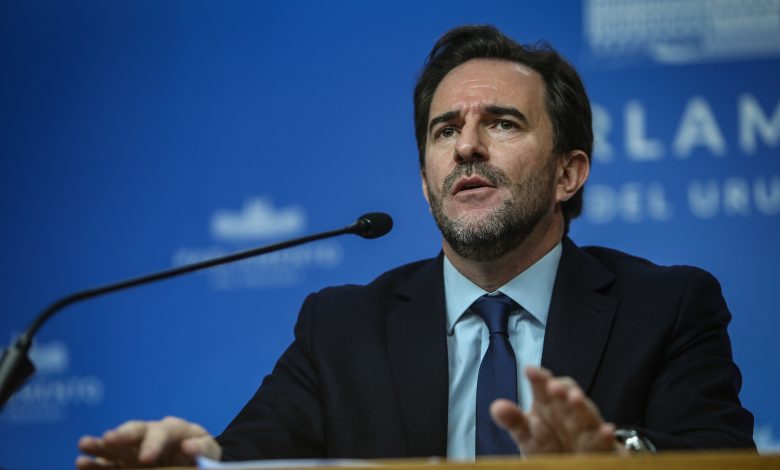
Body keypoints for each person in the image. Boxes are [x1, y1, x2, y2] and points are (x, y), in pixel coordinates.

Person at [76, 25, 755, 468]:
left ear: (567, 174)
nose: (466, 146)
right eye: (444, 130)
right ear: (427, 186)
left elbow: (719, 454)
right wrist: (199, 460)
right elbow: (254, 453)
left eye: (503, 123)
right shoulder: (341, 327)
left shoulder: (666, 307)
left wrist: (615, 457)